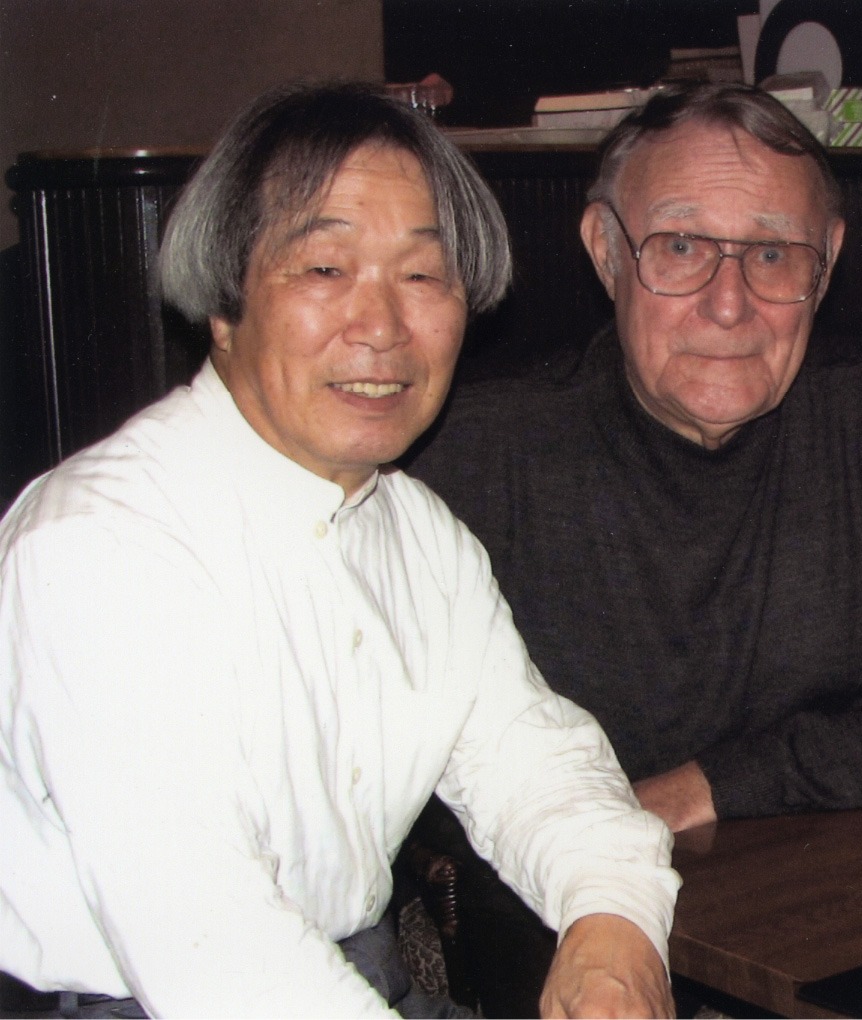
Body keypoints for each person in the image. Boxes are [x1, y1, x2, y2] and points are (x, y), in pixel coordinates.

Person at [0, 81, 681, 1020]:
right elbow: (216, 952)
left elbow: (534, 762)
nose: (383, 328)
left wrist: (613, 927)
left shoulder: (418, 533)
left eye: (421, 276)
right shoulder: (100, 547)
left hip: (354, 976)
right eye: (325, 268)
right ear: (224, 306)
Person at [406, 81, 862, 1013]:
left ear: (826, 264)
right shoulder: (475, 457)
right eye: (681, 247)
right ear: (605, 249)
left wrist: (712, 785)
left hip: (836, 932)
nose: (730, 305)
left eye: (772, 254)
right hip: (569, 947)